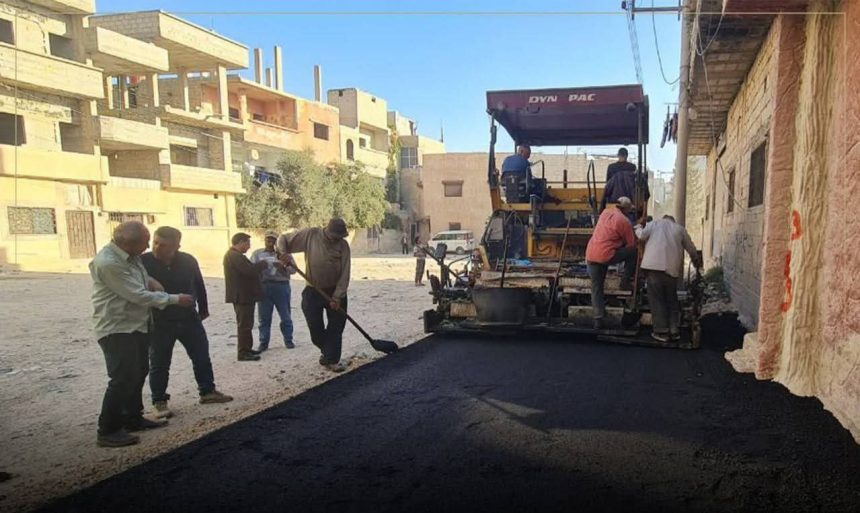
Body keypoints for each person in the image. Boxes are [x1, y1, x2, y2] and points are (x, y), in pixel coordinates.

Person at [89, 221, 194, 447]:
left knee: (138, 373)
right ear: (128, 243)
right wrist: (175, 299)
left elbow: (141, 278)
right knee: (122, 378)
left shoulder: (131, 257)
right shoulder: (109, 263)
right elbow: (138, 295)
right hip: (117, 328)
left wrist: (151, 280)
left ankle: (133, 418)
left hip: (137, 325)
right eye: (145, 242)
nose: (148, 247)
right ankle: (108, 430)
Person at [141, 226, 233, 420]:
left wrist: (203, 309)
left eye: (164, 245)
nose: (157, 248)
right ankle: (159, 401)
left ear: (176, 246)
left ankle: (207, 391)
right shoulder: (143, 262)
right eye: (155, 243)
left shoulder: (188, 260)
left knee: (201, 356)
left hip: (189, 318)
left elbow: (198, 284)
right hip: (160, 321)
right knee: (159, 362)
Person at [277, 218, 351, 373]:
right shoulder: (311, 235)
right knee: (315, 330)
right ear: (328, 230)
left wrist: (337, 296)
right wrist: (283, 253)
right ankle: (328, 353)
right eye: (335, 236)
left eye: (340, 237)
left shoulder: (343, 246)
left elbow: (345, 272)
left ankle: (332, 359)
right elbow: (283, 239)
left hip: (335, 291)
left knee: (336, 328)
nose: (337, 239)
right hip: (313, 291)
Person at [635, 215, 702, 342]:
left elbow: (641, 236)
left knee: (657, 300)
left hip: (653, 268)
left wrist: (638, 226)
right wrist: (696, 260)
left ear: (663, 218)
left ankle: (661, 332)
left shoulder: (654, 224)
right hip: (671, 270)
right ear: (673, 220)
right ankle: (674, 330)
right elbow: (691, 248)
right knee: (672, 300)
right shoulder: (679, 229)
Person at [585, 197, 638, 330]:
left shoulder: (605, 212)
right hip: (606, 255)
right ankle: (625, 281)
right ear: (627, 209)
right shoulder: (624, 221)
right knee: (633, 252)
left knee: (596, 288)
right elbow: (631, 244)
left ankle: (598, 319)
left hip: (591, 254)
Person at [224, 232, 267, 362]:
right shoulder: (234, 256)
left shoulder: (235, 256)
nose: (249, 246)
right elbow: (249, 271)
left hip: (245, 296)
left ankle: (247, 349)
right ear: (241, 242)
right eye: (247, 243)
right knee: (244, 325)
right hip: (242, 296)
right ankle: (243, 352)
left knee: (247, 324)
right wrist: (262, 265)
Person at [250, 231, 297, 351]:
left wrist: (283, 267)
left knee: (285, 316)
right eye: (268, 240)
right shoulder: (257, 254)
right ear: (264, 240)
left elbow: (293, 270)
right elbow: (251, 269)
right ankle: (263, 342)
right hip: (264, 286)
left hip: (281, 286)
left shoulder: (285, 254)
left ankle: (288, 340)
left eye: (273, 240)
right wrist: (260, 267)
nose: (270, 242)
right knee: (264, 317)